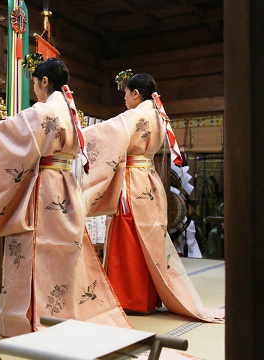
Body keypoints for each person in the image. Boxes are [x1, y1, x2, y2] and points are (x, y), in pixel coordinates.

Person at [0, 58, 131, 337]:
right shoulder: (71, 111)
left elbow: (10, 132)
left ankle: (30, 319)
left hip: (46, 188)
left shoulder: (45, 110)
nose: (34, 89)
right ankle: (61, 314)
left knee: (32, 250)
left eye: (35, 83)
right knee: (62, 253)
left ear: (44, 81)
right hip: (67, 188)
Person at [81, 72, 224, 322]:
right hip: (149, 180)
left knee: (130, 237)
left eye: (126, 93)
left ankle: (130, 298)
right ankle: (147, 297)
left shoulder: (135, 115)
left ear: (136, 94)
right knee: (150, 239)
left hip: (132, 183)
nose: (124, 99)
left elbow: (105, 133)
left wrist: (80, 132)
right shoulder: (158, 115)